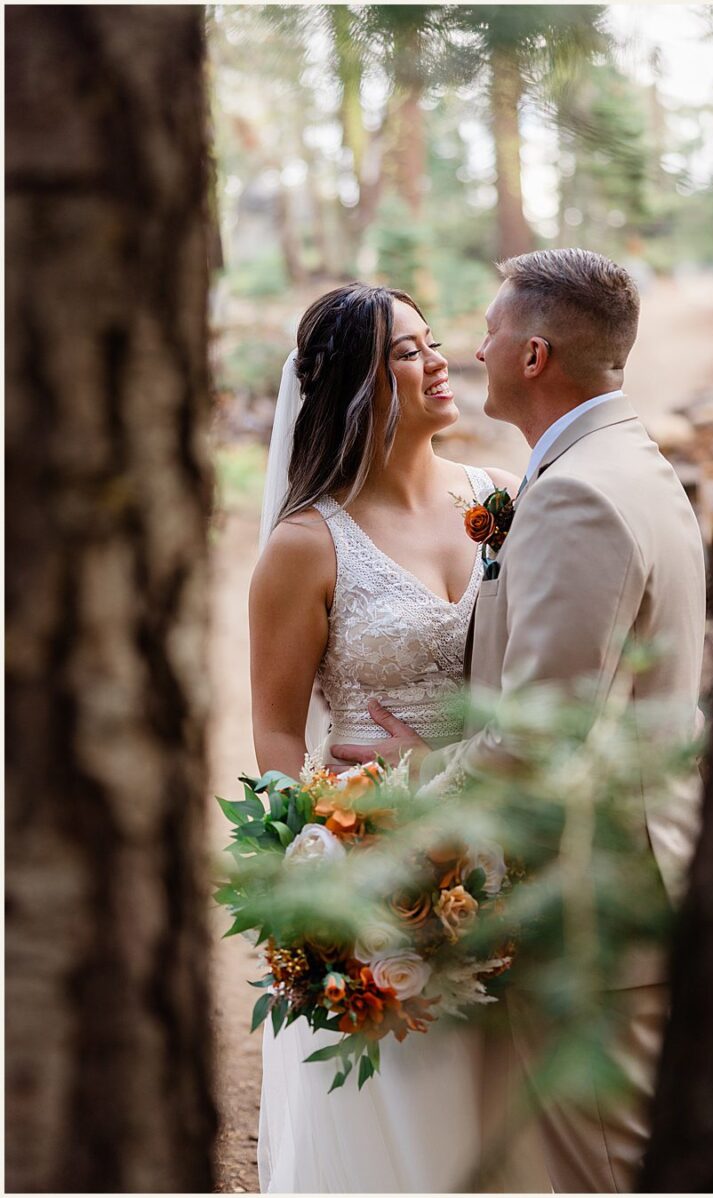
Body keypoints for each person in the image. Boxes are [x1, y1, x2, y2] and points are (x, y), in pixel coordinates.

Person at [332, 248, 707, 1192]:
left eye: (488, 331)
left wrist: (392, 795)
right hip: (625, 875)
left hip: (595, 899)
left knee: (601, 1170)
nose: (473, 349)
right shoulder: (621, 463)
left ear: (533, 355)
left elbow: (537, 739)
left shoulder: (576, 493)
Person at [248, 282, 521, 1191]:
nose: (440, 360)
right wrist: (318, 862)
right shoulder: (304, 545)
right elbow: (277, 727)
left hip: (508, 836)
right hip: (384, 859)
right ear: (354, 387)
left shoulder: (503, 500)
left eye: (434, 340)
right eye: (408, 351)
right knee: (405, 1110)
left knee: (504, 1108)